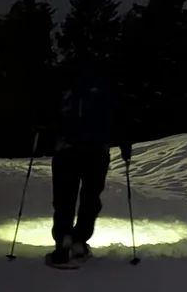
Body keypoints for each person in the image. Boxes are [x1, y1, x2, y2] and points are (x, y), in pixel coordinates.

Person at [44, 64, 132, 266]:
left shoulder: (65, 78)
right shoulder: (108, 82)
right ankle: (79, 240)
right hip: (97, 150)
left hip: (67, 148)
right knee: (90, 196)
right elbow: (121, 116)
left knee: (64, 196)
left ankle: (63, 242)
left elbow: (49, 109)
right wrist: (125, 143)